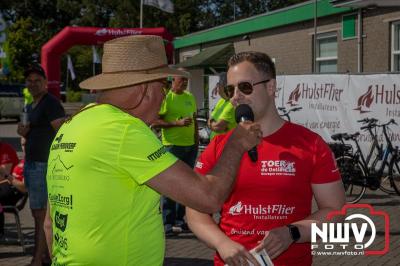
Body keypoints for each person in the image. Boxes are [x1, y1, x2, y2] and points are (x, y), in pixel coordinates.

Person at [43, 35, 262, 266]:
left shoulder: (73, 124)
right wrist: (236, 144)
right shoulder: (124, 129)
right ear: (144, 89)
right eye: (163, 86)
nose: (164, 97)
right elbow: (207, 198)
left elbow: (50, 224)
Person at [186, 51, 346, 266]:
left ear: (271, 87)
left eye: (245, 87)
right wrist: (222, 244)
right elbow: (195, 212)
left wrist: (293, 233)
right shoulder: (218, 146)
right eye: (229, 90)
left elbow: (336, 212)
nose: (235, 96)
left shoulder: (311, 144)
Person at [17, 63, 65, 266]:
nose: (33, 84)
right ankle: (44, 256)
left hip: (44, 165)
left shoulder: (50, 103)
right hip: (32, 164)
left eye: (38, 80)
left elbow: (62, 131)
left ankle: (38, 259)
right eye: (30, 81)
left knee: (41, 215)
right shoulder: (30, 105)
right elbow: (29, 132)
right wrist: (23, 133)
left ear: (45, 83)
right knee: (39, 214)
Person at [151, 74, 198, 234]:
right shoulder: (167, 98)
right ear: (173, 81)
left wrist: (196, 141)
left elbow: (195, 119)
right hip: (172, 146)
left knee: (186, 184)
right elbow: (155, 121)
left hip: (189, 146)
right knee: (171, 183)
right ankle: (168, 222)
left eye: (187, 80)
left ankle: (180, 219)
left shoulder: (190, 97)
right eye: (182, 80)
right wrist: (176, 123)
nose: (185, 83)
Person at [0, 139, 27, 236]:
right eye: (22, 145)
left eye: (26, 144)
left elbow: (24, 188)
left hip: (13, 191)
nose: (24, 147)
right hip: (7, 187)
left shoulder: (30, 164)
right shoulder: (24, 161)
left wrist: (7, 176)